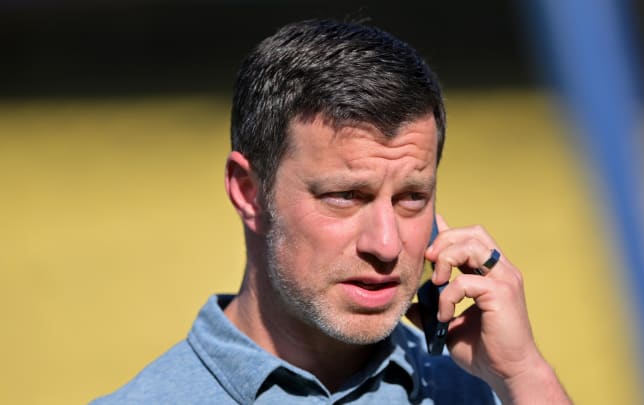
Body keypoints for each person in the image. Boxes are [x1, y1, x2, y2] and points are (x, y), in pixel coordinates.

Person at [92, 19, 571, 404]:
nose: (386, 245)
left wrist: (525, 375)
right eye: (344, 197)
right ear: (248, 192)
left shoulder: (486, 389)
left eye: (411, 198)